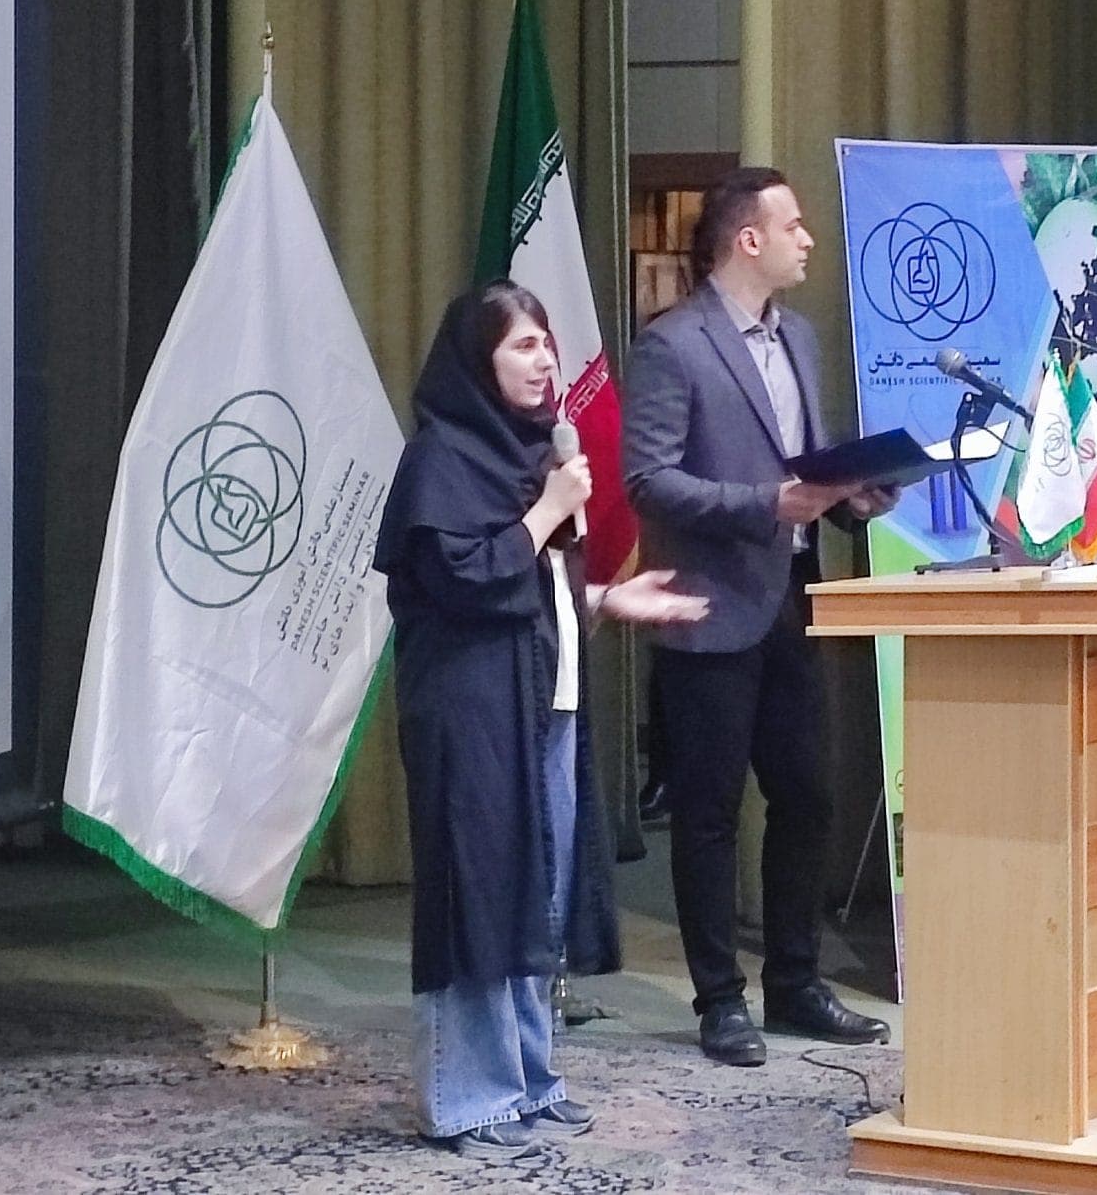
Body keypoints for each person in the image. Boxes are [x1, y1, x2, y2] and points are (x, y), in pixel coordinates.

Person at [375, 281, 707, 1161]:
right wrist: (552, 509)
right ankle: (465, 1098)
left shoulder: (531, 455)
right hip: (469, 717)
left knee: (534, 899)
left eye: (548, 343)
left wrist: (604, 598)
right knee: (479, 899)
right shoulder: (441, 459)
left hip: (541, 710)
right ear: (476, 361)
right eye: (523, 345)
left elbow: (526, 593)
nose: (547, 360)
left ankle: (526, 1079)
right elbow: (463, 581)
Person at [621, 167, 896, 1066]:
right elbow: (648, 480)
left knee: (807, 797)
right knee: (707, 812)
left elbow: (803, 465)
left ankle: (795, 984)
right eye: (793, 225)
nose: (807, 239)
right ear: (748, 239)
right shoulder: (673, 345)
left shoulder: (799, 337)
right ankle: (718, 1000)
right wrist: (762, 504)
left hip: (792, 599)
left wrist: (852, 495)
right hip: (708, 604)